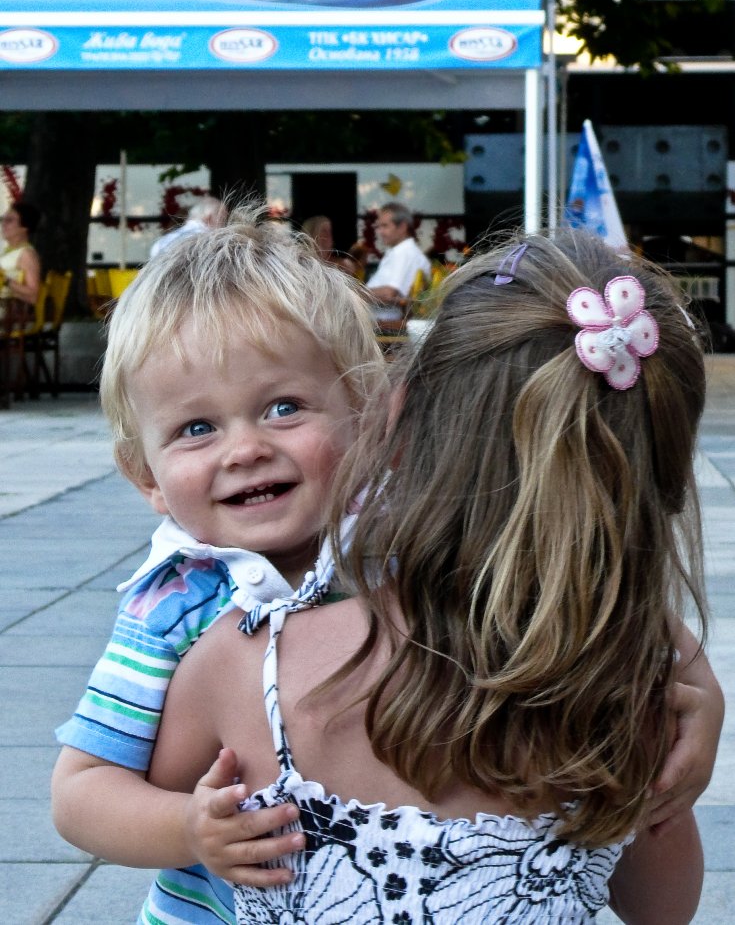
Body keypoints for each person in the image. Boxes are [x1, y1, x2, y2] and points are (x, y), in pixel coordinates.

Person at [146, 229, 721, 923]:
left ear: (395, 418)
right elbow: (661, 911)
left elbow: (134, 805)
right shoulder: (627, 702)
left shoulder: (242, 667)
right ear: (663, 476)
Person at [50, 203, 385, 925]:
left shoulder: (400, 559)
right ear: (146, 475)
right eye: (197, 427)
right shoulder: (176, 602)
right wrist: (188, 829)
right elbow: (81, 790)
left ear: (364, 412)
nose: (245, 449)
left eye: (284, 407)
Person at [367, 201, 431, 319]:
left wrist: (354, 293)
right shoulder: (399, 251)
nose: (380, 232)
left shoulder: (405, 253)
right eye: (379, 226)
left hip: (389, 327)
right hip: (383, 324)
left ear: (402, 227)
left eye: (385, 226)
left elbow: (388, 294)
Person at [150, 194, 227, 258]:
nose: (225, 225)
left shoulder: (160, 243)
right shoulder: (209, 243)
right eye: (223, 219)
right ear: (208, 218)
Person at [0, 200, 42, 310]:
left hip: (6, 311)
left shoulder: (26, 254)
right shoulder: (9, 251)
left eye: (9, 220)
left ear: (24, 227)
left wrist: (5, 281)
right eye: (2, 219)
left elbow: (33, 296)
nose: (3, 224)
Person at [302, 213, 363, 279]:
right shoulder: (303, 262)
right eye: (324, 231)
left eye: (329, 231)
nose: (328, 235)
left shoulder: (343, 265)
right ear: (312, 233)